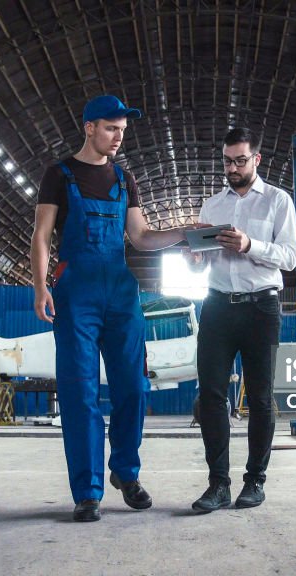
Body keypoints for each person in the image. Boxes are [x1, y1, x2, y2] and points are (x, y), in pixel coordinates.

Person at [31, 95, 193, 522]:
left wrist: (182, 233)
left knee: (135, 388)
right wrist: (39, 287)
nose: (119, 137)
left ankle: (125, 471)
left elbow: (140, 238)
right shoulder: (59, 174)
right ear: (89, 127)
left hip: (122, 293)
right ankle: (87, 492)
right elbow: (43, 236)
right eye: (110, 128)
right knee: (80, 392)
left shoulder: (125, 179)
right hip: (76, 292)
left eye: (122, 129)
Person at [184, 127, 296, 513]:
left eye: (239, 161)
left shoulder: (278, 202)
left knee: (262, 398)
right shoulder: (212, 207)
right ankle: (218, 485)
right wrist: (196, 258)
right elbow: (200, 265)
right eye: (227, 161)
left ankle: (255, 481)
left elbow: (290, 257)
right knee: (212, 396)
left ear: (256, 159)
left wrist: (250, 245)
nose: (232, 168)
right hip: (216, 306)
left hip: (261, 308)